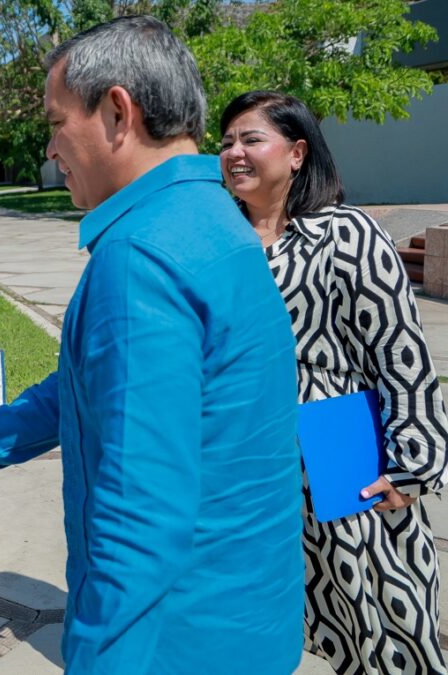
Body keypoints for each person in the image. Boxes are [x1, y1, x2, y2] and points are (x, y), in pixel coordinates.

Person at [0, 16, 305, 673]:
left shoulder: (139, 256)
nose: (52, 150)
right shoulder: (214, 216)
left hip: (175, 641)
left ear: (117, 112)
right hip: (249, 618)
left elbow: (139, 516)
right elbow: (88, 385)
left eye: (57, 123)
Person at [219, 90, 448, 674]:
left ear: (297, 153)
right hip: (254, 466)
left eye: (250, 139)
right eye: (226, 143)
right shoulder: (223, 242)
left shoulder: (346, 235)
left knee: (382, 622)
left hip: (341, 450)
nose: (234, 153)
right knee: (279, 627)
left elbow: (402, 355)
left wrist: (412, 466)